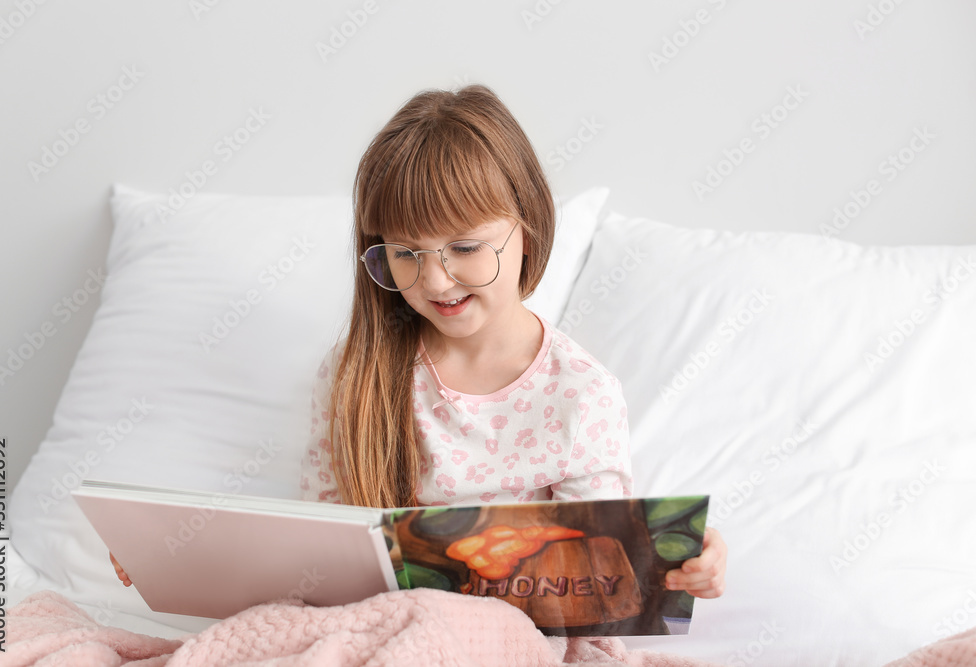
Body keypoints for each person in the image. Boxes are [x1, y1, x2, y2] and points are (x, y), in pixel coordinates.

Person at [113, 85, 726, 600]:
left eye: (463, 247)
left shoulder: (580, 394)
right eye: (405, 253)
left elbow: (603, 568)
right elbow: (318, 547)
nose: (433, 280)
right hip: (377, 620)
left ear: (529, 230)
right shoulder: (361, 371)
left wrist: (680, 560)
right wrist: (184, 559)